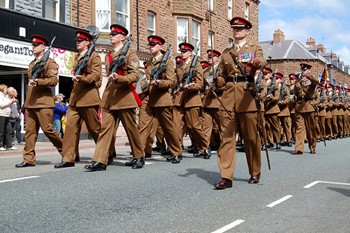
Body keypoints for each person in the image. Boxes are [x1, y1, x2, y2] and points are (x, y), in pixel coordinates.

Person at [213, 16, 267, 189]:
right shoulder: (226, 53)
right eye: (235, 28)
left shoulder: (254, 48)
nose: (237, 31)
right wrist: (218, 81)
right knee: (227, 138)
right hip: (228, 98)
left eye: (240, 28)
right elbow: (223, 75)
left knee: (251, 137)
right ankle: (226, 176)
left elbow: (263, 61)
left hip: (246, 96)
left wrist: (255, 64)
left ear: (247, 31)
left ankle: (255, 171)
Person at [85, 24, 144, 171]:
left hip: (124, 97)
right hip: (110, 97)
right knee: (105, 129)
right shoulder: (109, 56)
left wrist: (120, 78)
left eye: (115, 34)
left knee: (131, 129)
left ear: (122, 37)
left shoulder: (131, 54)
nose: (111, 36)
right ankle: (100, 160)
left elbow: (135, 75)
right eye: (111, 34)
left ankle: (139, 156)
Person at [54, 30, 103, 169]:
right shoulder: (77, 58)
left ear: (87, 42)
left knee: (94, 129)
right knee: (70, 128)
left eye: (80, 41)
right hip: (75, 99)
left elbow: (96, 76)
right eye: (76, 41)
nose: (77, 43)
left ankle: (106, 152)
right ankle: (69, 157)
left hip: (88, 98)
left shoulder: (94, 56)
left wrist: (81, 78)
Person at [15, 34, 63, 168]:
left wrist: (39, 81)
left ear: (43, 47)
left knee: (48, 130)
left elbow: (54, 80)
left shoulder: (50, 62)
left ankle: (66, 151)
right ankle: (28, 159)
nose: (33, 47)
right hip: (31, 102)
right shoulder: (32, 63)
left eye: (36, 45)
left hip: (43, 102)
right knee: (30, 132)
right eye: (33, 45)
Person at [139, 35, 182, 162]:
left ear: (160, 46)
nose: (151, 47)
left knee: (167, 127)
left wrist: (158, 83)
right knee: (142, 126)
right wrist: (146, 85)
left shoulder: (168, 61)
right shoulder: (150, 62)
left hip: (162, 98)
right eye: (150, 45)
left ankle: (176, 152)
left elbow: (171, 81)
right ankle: (140, 154)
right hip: (148, 97)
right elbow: (144, 80)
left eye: (153, 45)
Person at [173, 42, 210, 162]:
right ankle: (177, 153)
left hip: (192, 100)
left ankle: (204, 146)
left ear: (190, 53)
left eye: (184, 52)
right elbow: (177, 81)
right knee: (176, 126)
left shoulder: (197, 66)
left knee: (194, 126)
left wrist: (191, 86)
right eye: (181, 51)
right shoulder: (179, 66)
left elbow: (200, 84)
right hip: (179, 100)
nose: (182, 53)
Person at [291, 63, 318, 155]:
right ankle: (299, 148)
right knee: (299, 128)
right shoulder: (298, 81)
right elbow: (295, 92)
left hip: (308, 105)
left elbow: (316, 82)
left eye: (305, 70)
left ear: (309, 70)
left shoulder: (311, 79)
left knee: (311, 128)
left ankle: (312, 146)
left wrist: (309, 77)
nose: (303, 71)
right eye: (302, 69)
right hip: (299, 106)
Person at [0, 84, 16, 151]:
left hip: (7, 115)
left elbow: (8, 104)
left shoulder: (6, 97)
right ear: (2, 89)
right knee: (1, 131)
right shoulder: (0, 96)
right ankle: (1, 145)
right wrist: (10, 101)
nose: (7, 90)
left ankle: (9, 145)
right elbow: (2, 104)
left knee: (9, 130)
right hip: (1, 114)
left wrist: (11, 102)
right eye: (6, 89)